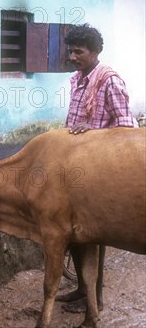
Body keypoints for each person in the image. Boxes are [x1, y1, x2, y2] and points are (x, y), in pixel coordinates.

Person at [57, 24, 138, 312]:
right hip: (78, 168)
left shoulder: (110, 82)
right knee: (77, 233)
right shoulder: (77, 80)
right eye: (71, 51)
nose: (73, 56)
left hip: (100, 172)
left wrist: (92, 132)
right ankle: (81, 289)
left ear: (95, 52)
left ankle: (96, 299)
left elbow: (127, 130)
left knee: (96, 235)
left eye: (79, 52)